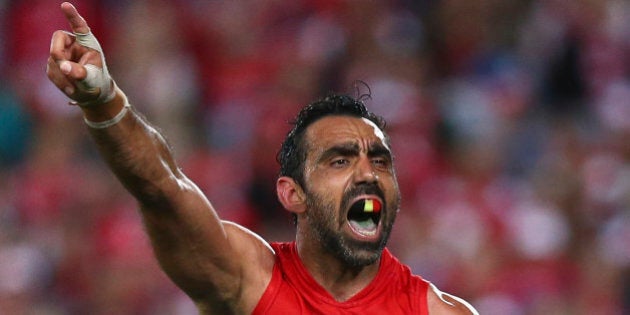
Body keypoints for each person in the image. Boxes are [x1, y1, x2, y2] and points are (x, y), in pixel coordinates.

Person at [46, 2, 478, 314]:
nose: (368, 173)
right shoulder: (247, 280)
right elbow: (161, 187)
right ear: (293, 194)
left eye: (381, 161)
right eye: (340, 161)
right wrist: (104, 101)